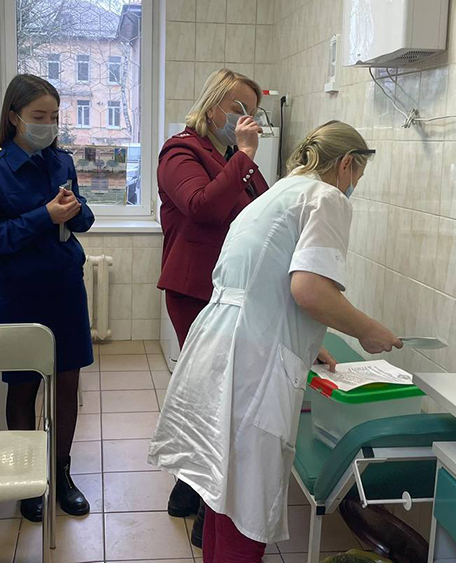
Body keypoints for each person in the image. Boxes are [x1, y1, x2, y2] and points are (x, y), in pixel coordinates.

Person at [148, 121, 403, 561]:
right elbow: (310, 290)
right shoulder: (326, 197)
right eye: (358, 175)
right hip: (252, 362)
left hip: (218, 346)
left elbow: (262, 281)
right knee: (247, 504)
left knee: (222, 494)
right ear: (347, 164)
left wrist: (304, 339)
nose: (354, 186)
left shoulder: (275, 193)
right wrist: (368, 329)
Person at [0, 74, 94, 522]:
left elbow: (83, 218)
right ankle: (27, 479)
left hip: (66, 290)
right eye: (39, 116)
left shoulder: (60, 161)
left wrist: (75, 211)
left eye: (54, 117)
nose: (48, 125)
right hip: (21, 295)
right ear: (14, 117)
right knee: (23, 387)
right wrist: (44, 216)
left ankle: (61, 474)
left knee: (67, 385)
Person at [156, 69, 271, 545]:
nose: (246, 119)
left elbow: (266, 205)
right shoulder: (180, 151)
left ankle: (187, 492)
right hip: (196, 291)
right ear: (212, 105)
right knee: (212, 399)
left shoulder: (230, 158)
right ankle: (207, 508)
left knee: (210, 393)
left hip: (233, 290)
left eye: (253, 111)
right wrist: (244, 155)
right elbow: (201, 205)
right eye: (238, 108)